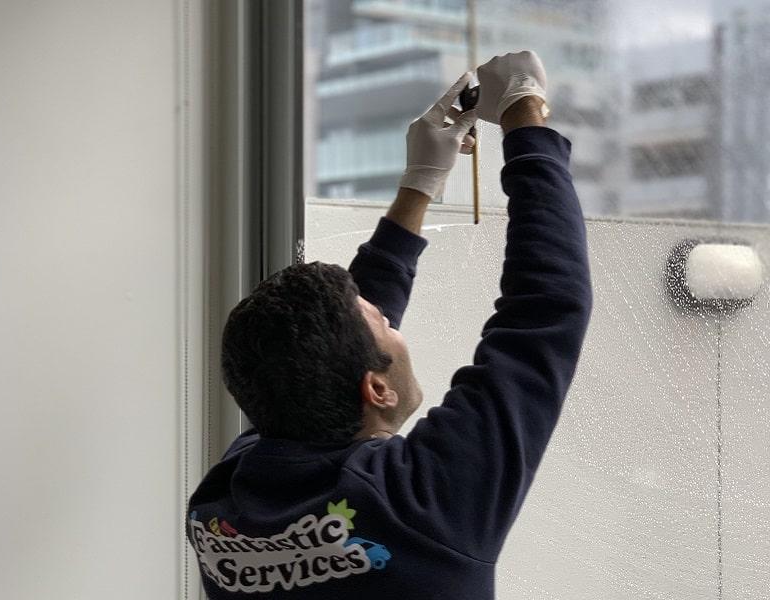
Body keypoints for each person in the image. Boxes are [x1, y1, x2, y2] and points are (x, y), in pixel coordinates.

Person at [187, 50, 593, 599]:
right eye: (384, 322)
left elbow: (333, 349)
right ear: (375, 389)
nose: (389, 317)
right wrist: (525, 113)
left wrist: (420, 183)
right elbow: (544, 308)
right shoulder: (422, 506)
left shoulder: (222, 510)